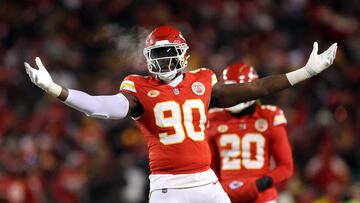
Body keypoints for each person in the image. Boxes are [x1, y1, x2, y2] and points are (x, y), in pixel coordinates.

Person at [24, 25, 337, 203]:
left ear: (182, 55)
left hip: (206, 181)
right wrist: (57, 90)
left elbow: (255, 89)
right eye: (155, 54)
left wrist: (306, 72)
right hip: (167, 186)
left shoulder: (201, 80)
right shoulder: (139, 87)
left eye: (166, 52)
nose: (161, 60)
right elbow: (99, 106)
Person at [207, 63, 294, 203]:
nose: (235, 95)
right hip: (225, 196)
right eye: (231, 90)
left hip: (262, 196)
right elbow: (211, 166)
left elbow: (286, 166)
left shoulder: (269, 116)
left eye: (238, 90)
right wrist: (219, 189)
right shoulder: (213, 118)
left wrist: (264, 182)